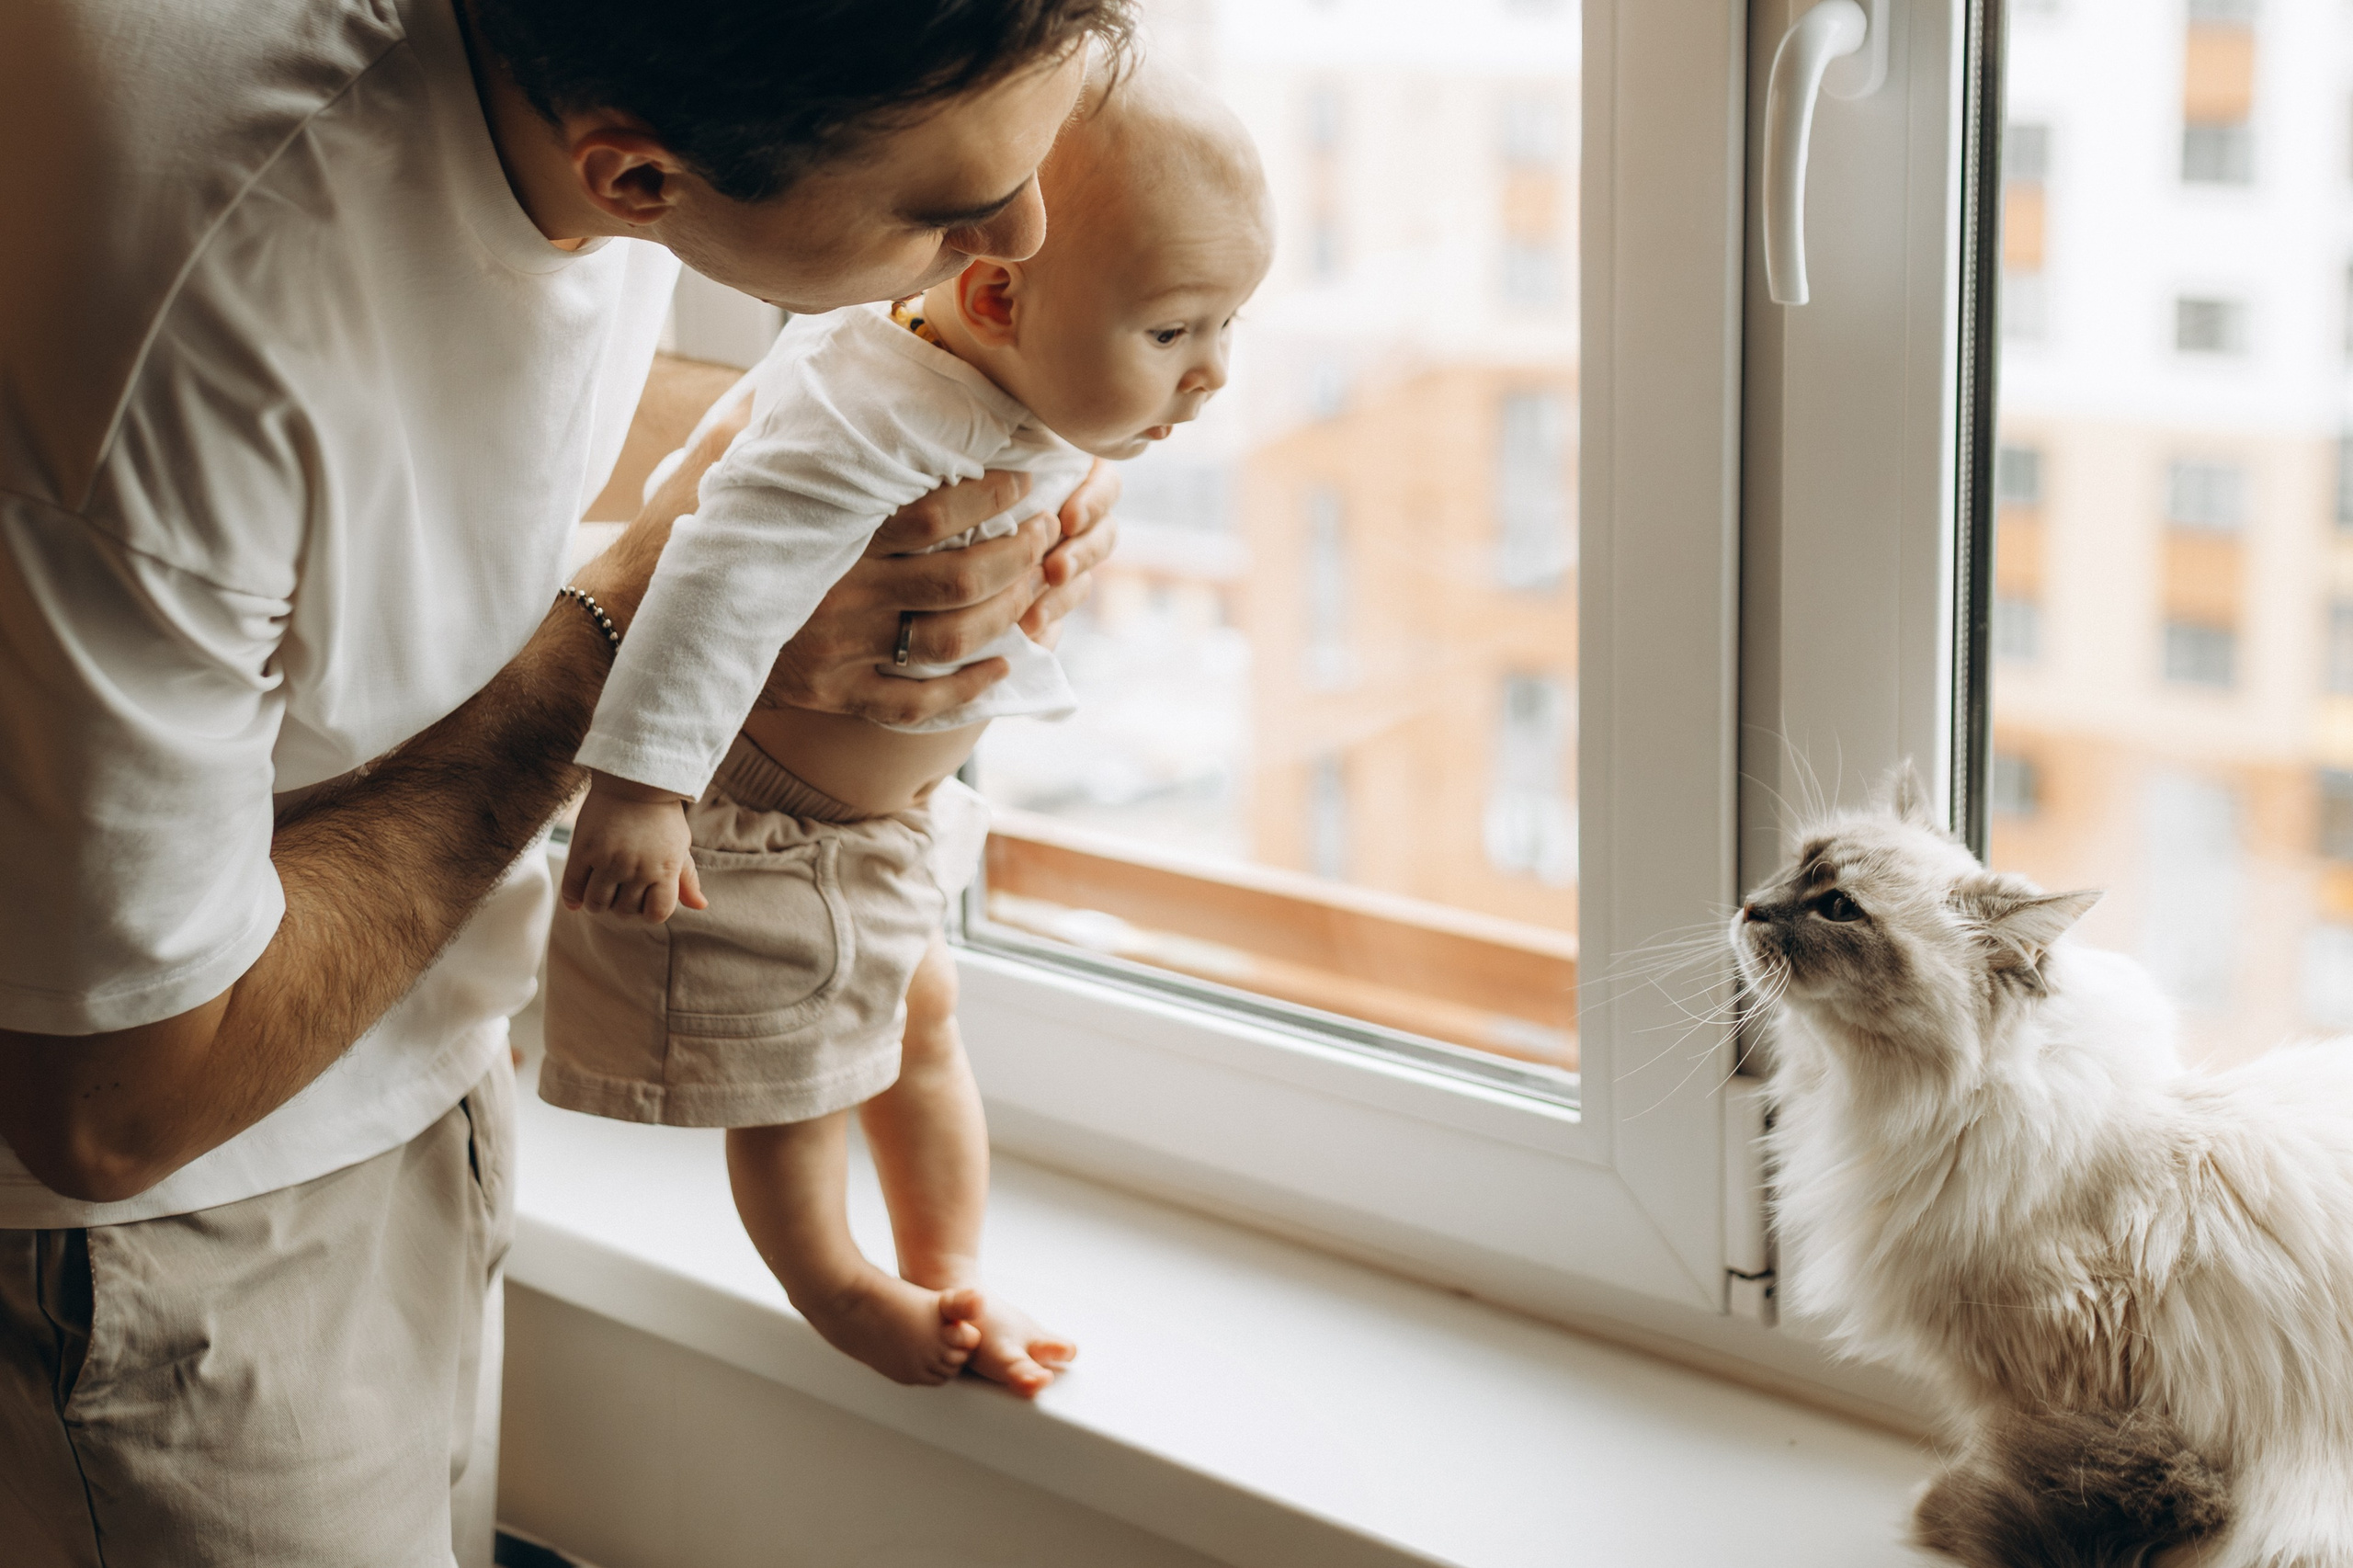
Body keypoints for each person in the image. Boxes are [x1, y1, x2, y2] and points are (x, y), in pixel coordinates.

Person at [0, 1, 1131, 1563]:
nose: (1023, 235)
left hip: (417, 1026)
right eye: (951, 214)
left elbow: (482, 375)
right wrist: (660, 617)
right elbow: (113, 1102)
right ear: (639, 178)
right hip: (173, 1233)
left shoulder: (619, 69)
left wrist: (903, 456)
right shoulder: (165, 337)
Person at [547, 62, 1273, 1397]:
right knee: (803, 1081)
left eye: (1231, 323)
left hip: (883, 825)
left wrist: (1088, 481)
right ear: (995, 300)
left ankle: (951, 1274)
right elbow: (706, 576)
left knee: (919, 1016)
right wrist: (641, 791)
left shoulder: (1013, 369)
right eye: (1175, 331)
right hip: (761, 822)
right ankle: (832, 1280)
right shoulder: (868, 412)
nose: (1214, 373)